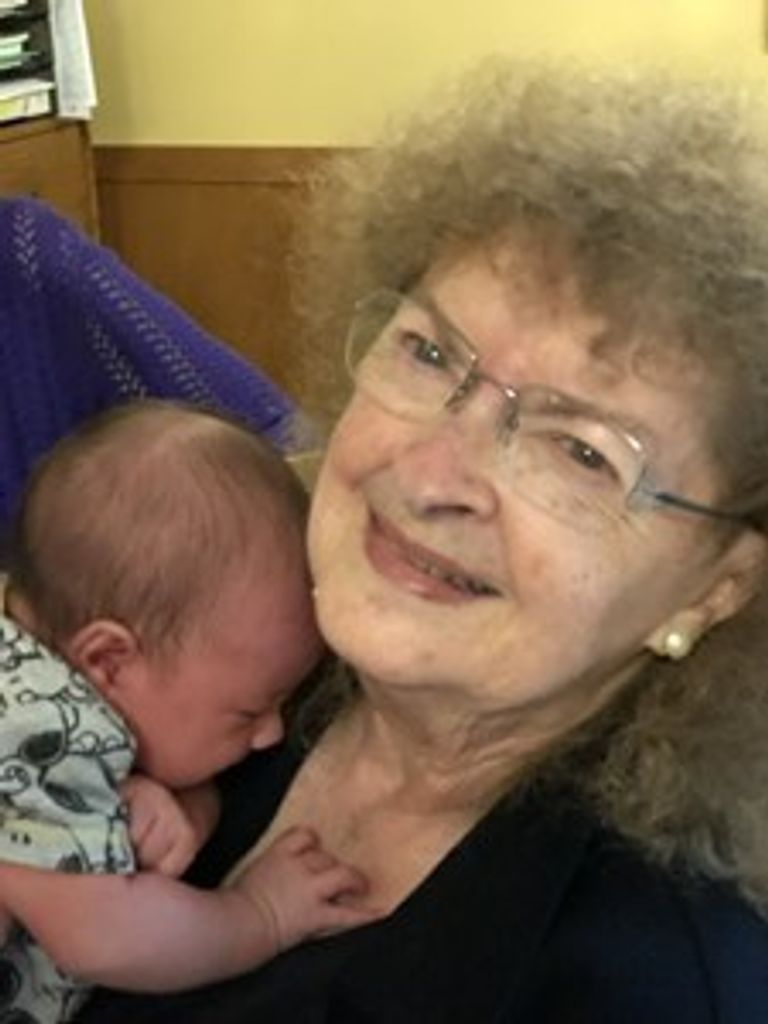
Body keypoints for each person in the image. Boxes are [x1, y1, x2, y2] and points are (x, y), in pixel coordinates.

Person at [80, 63, 768, 1022]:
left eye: (580, 452)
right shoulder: (246, 647)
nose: (430, 474)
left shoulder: (646, 980)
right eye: (430, 352)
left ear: (716, 586)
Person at [0, 399, 376, 1024]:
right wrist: (260, 915)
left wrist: (151, 794)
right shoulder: (48, 731)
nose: (271, 735)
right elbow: (104, 939)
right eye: (247, 712)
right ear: (109, 661)